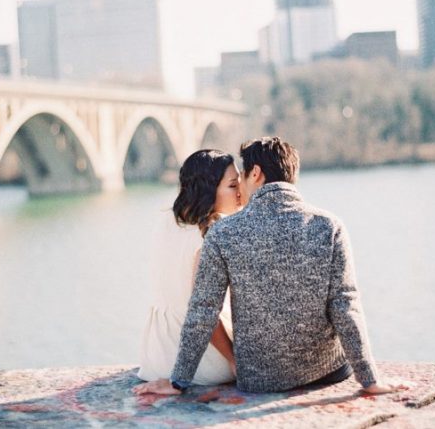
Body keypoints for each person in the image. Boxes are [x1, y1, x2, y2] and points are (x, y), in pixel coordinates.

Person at [134, 137, 408, 396]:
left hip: (259, 380)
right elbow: (345, 306)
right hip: (329, 371)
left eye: (240, 176)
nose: (239, 185)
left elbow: (203, 310)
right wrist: (370, 380)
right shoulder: (330, 226)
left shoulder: (223, 233)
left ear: (255, 174)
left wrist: (178, 381)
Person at [136, 149, 243, 385]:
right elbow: (205, 313)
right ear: (209, 190)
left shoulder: (166, 221)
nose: (241, 191)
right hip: (201, 363)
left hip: (156, 356)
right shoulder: (211, 234)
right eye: (233, 185)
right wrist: (233, 359)